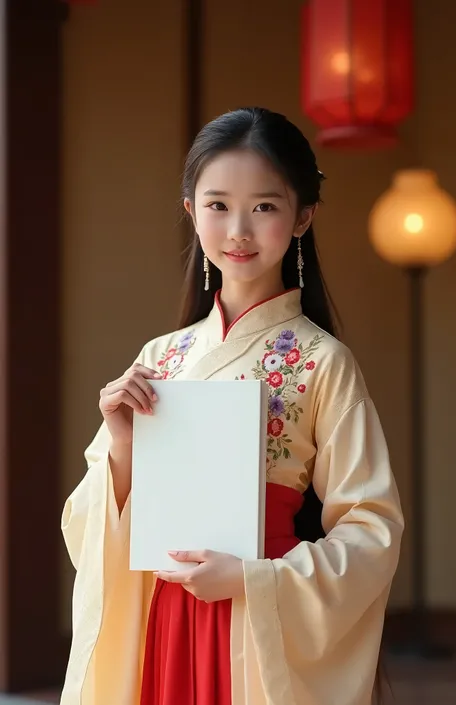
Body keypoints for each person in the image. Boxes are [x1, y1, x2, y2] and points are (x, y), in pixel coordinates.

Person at [60, 107, 404, 705]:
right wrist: (121, 447)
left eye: (265, 207)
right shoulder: (159, 358)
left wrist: (255, 578)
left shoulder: (322, 361)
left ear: (303, 217)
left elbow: (371, 529)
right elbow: (87, 527)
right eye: (218, 205)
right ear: (192, 211)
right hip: (164, 612)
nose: (239, 230)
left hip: (257, 613)